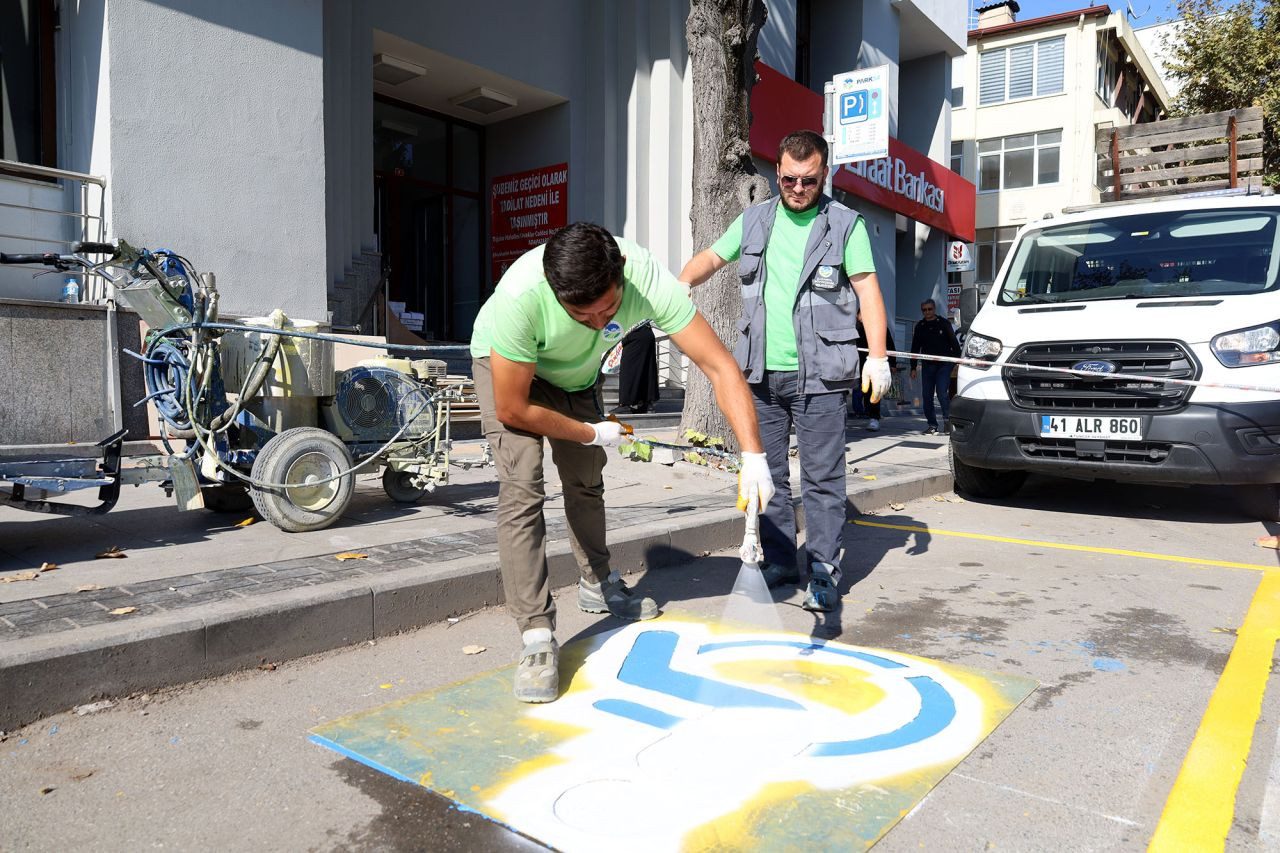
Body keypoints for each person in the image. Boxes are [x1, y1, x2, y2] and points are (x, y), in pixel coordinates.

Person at [469, 221, 773, 703]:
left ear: (622, 275)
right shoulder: (519, 298)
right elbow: (513, 408)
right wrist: (591, 432)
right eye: (580, 315)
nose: (596, 324)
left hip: (577, 377)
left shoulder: (647, 278)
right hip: (512, 373)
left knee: (586, 480)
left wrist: (753, 454)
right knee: (523, 488)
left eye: (607, 311)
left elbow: (719, 365)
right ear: (554, 291)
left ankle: (596, 580)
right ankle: (536, 635)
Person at [678, 129, 891, 614]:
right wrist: (682, 284)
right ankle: (778, 560)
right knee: (766, 474)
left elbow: (868, 294)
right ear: (776, 173)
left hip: (822, 377)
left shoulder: (844, 225)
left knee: (822, 478)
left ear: (824, 175)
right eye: (790, 179)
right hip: (758, 374)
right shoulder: (753, 222)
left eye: (809, 180)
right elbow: (711, 257)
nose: (798, 188)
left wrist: (877, 355)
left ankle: (822, 570)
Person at [909, 298, 961, 435]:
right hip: (927, 366)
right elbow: (915, 347)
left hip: (944, 365)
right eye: (924, 310)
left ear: (934, 309)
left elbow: (954, 344)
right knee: (926, 396)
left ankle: (948, 422)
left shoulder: (944, 323)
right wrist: (913, 367)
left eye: (929, 309)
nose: (927, 312)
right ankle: (932, 425)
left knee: (942, 394)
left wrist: (957, 362)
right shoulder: (920, 326)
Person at [855, 310, 897, 431]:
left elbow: (890, 345)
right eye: (861, 314)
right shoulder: (855, 329)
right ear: (858, 316)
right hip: (858, 367)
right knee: (863, 393)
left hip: (874, 365)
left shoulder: (879, 327)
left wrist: (893, 363)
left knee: (874, 392)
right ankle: (868, 413)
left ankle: (874, 418)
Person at [612, 321, 659, 414]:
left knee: (628, 370)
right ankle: (647, 404)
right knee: (647, 368)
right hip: (647, 332)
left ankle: (625, 404)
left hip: (634, 333)